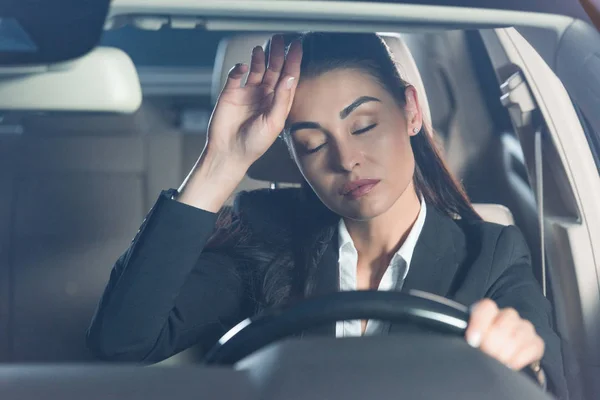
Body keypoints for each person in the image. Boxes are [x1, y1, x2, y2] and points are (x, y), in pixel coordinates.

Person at [87, 32, 567, 398]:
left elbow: (547, 379)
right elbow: (122, 342)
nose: (345, 159)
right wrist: (221, 163)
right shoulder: (265, 233)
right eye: (311, 144)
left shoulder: (491, 252)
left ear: (411, 112)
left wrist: (522, 358)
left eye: (364, 126)